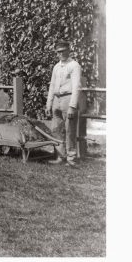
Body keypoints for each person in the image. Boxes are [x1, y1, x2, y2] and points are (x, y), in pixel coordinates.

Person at [45, 40, 82, 168]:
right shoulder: (56, 67)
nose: (60, 54)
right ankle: (60, 156)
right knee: (56, 129)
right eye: (58, 52)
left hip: (68, 99)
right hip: (56, 99)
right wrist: (48, 104)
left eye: (63, 51)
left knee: (70, 130)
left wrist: (72, 106)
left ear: (68, 50)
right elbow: (52, 86)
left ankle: (71, 159)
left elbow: (76, 86)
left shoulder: (74, 65)